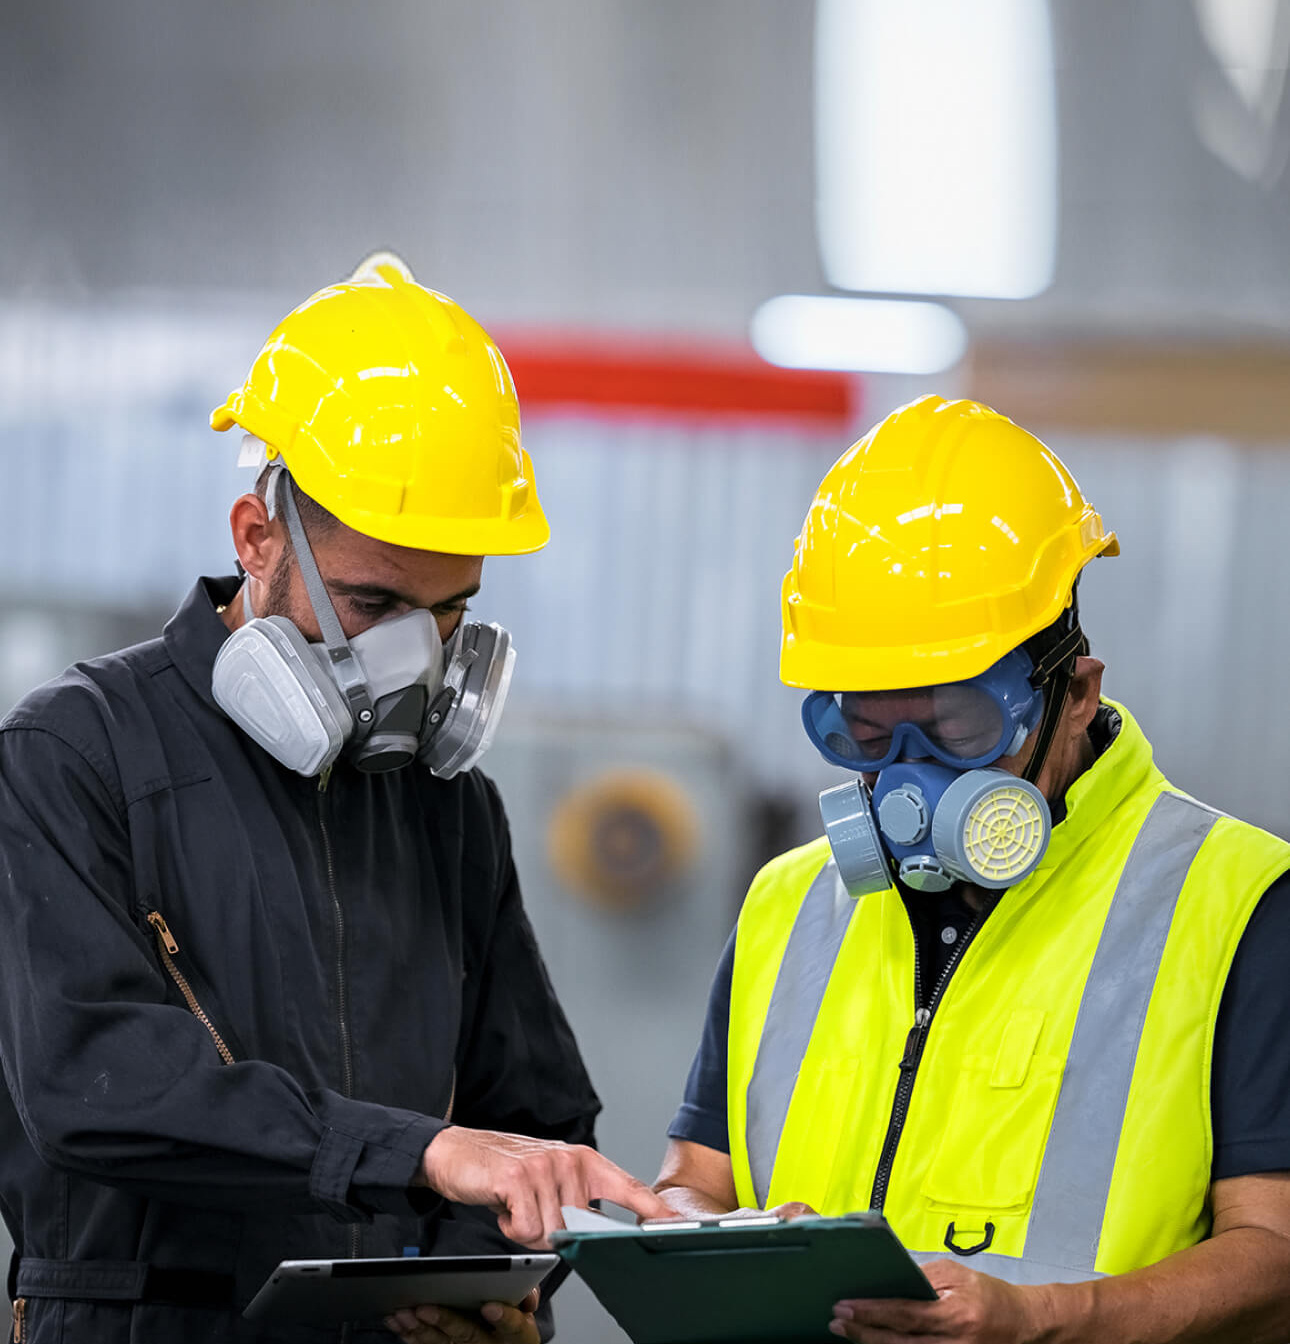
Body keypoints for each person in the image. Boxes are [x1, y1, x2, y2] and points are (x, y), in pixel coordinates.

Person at [0, 255, 669, 1344]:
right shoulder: (76, 752)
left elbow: (533, 1119)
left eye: (450, 614)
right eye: (372, 602)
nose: (415, 658)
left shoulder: (447, 808)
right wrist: (416, 1152)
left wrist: (490, 1287)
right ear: (255, 538)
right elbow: (96, 1085)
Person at [656, 395, 1290, 1342]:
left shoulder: (1236, 900)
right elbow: (693, 1185)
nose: (910, 780)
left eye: (961, 728)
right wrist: (730, 1246)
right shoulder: (787, 904)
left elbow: (1273, 1250)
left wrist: (1042, 1320)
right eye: (867, 730)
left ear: (1074, 694)